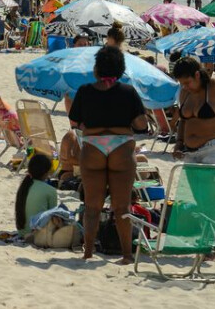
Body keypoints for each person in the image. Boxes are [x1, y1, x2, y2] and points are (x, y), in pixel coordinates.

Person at [68, 46, 147, 264]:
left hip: (93, 144)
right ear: (120, 69)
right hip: (121, 145)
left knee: (92, 206)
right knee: (122, 206)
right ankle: (127, 255)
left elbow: (74, 121)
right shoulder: (128, 92)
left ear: (97, 69)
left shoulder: (85, 91)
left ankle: (88, 252)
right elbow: (141, 124)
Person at [15, 153, 58, 238]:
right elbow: (54, 217)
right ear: (47, 172)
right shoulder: (50, 190)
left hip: (22, 232)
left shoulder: (24, 186)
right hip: (39, 234)